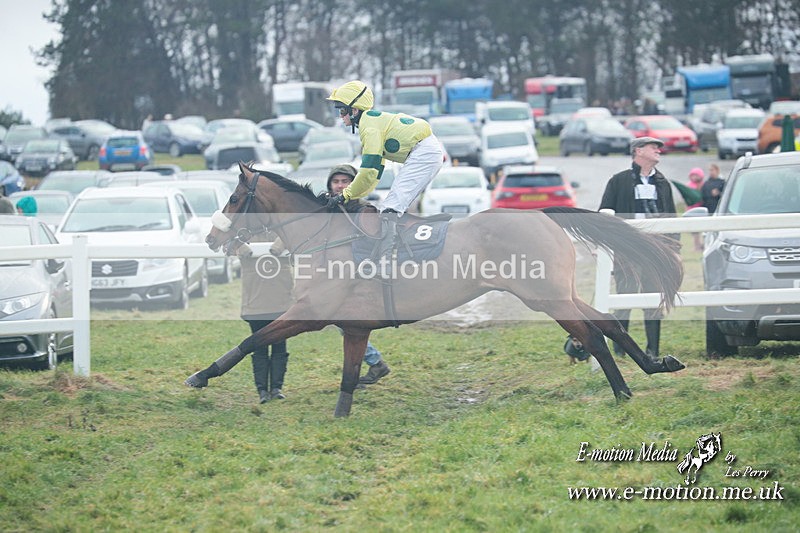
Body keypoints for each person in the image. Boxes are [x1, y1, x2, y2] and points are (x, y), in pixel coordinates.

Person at [325, 80, 444, 261]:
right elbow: (373, 175)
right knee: (388, 208)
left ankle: (386, 260)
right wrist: (352, 195)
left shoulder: (369, 127)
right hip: (424, 151)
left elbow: (367, 172)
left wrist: (344, 195)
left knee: (390, 208)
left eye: (342, 110)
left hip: (424, 152)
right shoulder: (372, 122)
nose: (341, 116)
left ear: (354, 110)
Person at [599, 136, 678, 358]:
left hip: (656, 249)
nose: (659, 151)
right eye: (654, 147)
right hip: (627, 249)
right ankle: (621, 348)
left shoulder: (663, 184)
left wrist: (674, 250)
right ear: (638, 151)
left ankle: (653, 349)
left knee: (654, 297)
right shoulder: (619, 181)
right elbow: (604, 213)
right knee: (624, 296)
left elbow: (672, 217)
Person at [326, 163, 391, 386]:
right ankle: (373, 363)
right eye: (336, 182)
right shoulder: (327, 207)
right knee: (344, 323)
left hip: (361, 277)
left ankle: (368, 366)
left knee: (347, 323)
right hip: (336, 274)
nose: (340, 186)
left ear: (354, 184)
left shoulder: (364, 209)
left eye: (345, 182)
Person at [239, 233, 294, 403]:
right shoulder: (244, 228)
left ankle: (275, 388)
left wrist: (277, 247)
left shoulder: (281, 227)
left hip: (279, 301)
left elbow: (292, 235)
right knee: (261, 348)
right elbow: (228, 238)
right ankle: (263, 390)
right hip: (257, 302)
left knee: (278, 346)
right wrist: (242, 248)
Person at [687, 167, 705, 251]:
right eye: (692, 175)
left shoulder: (703, 185)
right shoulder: (689, 185)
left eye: (696, 175)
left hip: (701, 210)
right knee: (694, 231)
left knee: (701, 230)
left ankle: (701, 245)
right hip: (691, 210)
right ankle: (696, 246)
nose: (694, 177)